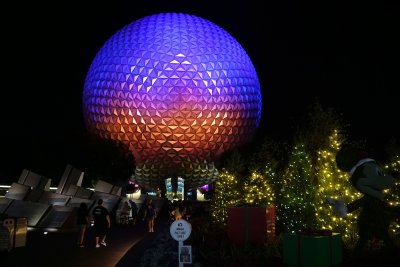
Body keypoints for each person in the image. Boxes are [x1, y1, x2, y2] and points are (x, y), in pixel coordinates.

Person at [328, 146, 400, 258]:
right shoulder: (369, 197)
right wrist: (346, 209)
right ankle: (358, 256)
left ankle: (391, 253)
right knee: (366, 237)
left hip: (378, 221)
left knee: (382, 236)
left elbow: (384, 202)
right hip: (369, 221)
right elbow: (359, 203)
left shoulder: (375, 197)